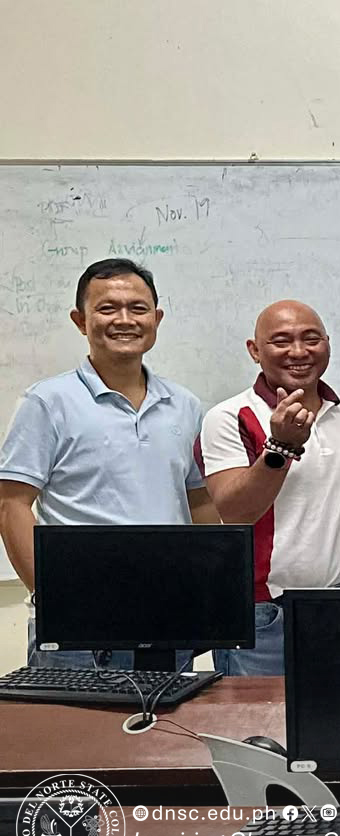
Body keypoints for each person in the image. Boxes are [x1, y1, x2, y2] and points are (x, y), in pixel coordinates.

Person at [0, 258, 219, 670]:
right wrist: (50, 597)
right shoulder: (47, 402)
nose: (124, 320)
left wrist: (210, 588)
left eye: (138, 308)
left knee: (170, 714)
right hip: (77, 627)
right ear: (80, 321)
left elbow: (199, 501)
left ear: (156, 319)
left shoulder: (184, 405)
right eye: (107, 308)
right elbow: (11, 504)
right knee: (75, 717)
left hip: (168, 616)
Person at [199, 301, 340, 677]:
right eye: (281, 341)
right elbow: (235, 512)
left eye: (311, 339)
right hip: (263, 615)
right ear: (255, 350)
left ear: (328, 344)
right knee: (258, 718)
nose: (298, 352)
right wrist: (281, 446)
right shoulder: (230, 417)